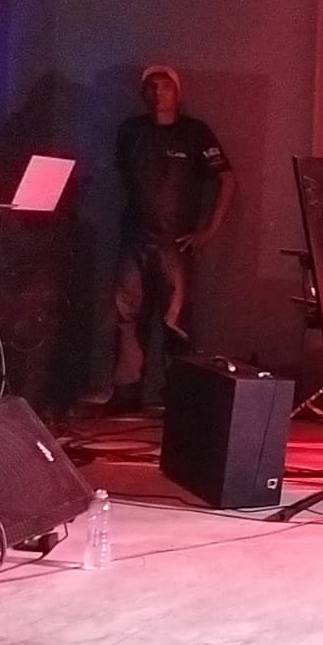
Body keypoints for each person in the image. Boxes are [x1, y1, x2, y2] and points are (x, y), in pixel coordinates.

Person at [88, 65, 235, 408]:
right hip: (134, 239)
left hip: (176, 243)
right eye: (151, 87)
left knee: (176, 321)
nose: (158, 93)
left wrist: (208, 231)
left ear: (177, 93)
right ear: (143, 93)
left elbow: (228, 180)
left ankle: (180, 398)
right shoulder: (130, 131)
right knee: (127, 317)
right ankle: (126, 394)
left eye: (165, 87)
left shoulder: (195, 133)